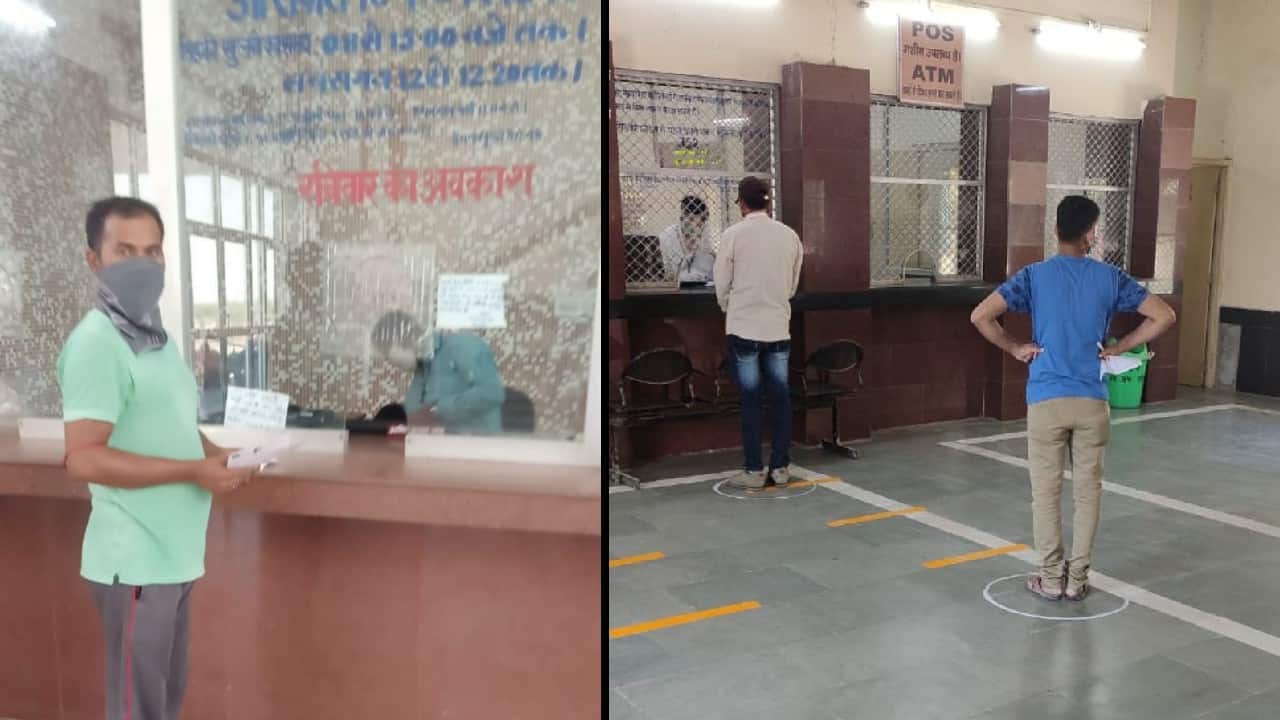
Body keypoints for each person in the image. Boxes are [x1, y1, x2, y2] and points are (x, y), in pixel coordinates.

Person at [57, 197, 257, 720]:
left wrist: (214, 454)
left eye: (152, 251)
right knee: (137, 706)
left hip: (174, 557)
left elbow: (166, 423)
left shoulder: (154, 337)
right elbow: (82, 458)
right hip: (133, 560)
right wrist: (193, 471)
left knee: (161, 701)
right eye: (125, 251)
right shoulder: (98, 344)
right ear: (93, 260)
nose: (142, 264)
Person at [970, 195, 1176, 602]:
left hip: (1045, 399)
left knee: (1045, 494)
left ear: (1056, 230)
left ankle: (1049, 578)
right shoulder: (1110, 278)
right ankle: (1078, 578)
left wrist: (1015, 348)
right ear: (1090, 233)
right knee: (1088, 491)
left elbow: (980, 315)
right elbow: (1164, 314)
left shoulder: (1033, 276)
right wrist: (1121, 347)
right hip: (1091, 401)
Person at [714, 176, 803, 490]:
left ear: (741, 203)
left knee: (751, 400)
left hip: (743, 328)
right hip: (778, 328)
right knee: (780, 398)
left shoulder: (733, 235)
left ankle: (753, 470)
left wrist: (731, 307)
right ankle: (780, 467)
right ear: (770, 203)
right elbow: (792, 285)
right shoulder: (789, 236)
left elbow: (722, 283)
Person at [370, 311, 506, 435]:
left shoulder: (462, 346)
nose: (390, 363)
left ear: (400, 341)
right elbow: (415, 412)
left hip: (477, 447)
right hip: (436, 446)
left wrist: (437, 411)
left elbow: (492, 393)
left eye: (387, 355)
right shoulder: (423, 365)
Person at [658, 195, 716, 283]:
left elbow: (710, 265)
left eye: (700, 225)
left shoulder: (705, 234)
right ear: (682, 217)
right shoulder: (668, 236)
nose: (698, 229)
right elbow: (669, 271)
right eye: (691, 220)